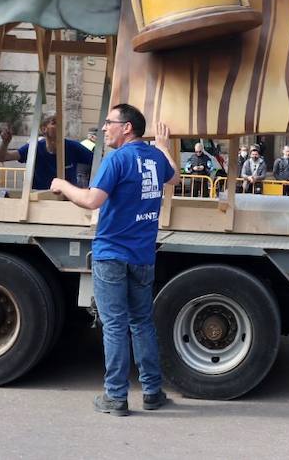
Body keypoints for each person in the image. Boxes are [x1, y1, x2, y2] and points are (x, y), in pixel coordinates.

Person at [50, 104, 177, 416]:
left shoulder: (116, 160)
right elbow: (173, 178)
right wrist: (163, 147)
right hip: (142, 255)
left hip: (111, 254)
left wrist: (62, 185)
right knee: (142, 322)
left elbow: (92, 200)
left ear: (127, 128)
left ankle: (116, 396)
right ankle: (152, 391)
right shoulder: (155, 158)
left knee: (115, 325)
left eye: (110, 123)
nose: (104, 128)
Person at [17, 113, 94, 190]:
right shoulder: (35, 147)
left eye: (60, 122)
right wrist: (6, 143)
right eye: (54, 123)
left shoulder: (73, 147)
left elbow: (98, 161)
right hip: (40, 199)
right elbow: (7, 156)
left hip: (66, 200)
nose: (59, 126)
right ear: (44, 129)